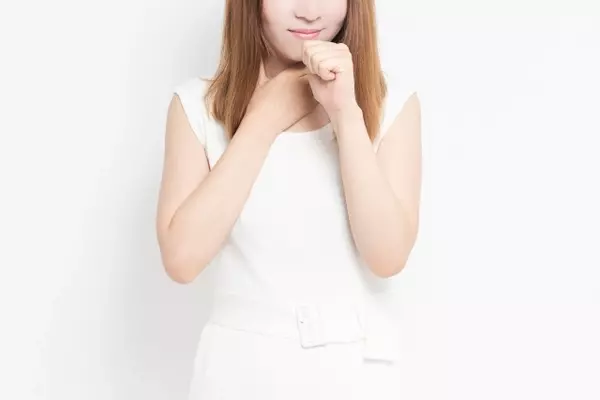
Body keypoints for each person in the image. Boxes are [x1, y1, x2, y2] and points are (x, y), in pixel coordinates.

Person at [156, 0, 422, 398]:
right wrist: (264, 119)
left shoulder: (390, 104)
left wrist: (346, 112)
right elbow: (182, 259)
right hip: (238, 374)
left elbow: (387, 256)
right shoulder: (198, 106)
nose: (310, 11)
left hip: (354, 376)